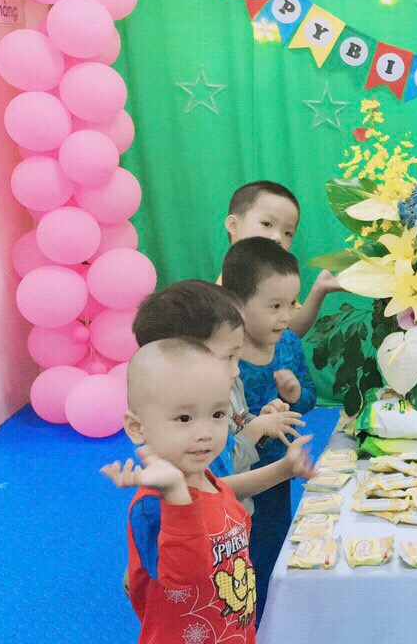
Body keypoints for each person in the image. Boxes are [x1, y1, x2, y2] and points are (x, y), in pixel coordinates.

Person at [102, 339, 315, 644]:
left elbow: (233, 532)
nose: (205, 433)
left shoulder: (211, 481)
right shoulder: (154, 505)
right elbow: (185, 577)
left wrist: (285, 468)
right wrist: (176, 496)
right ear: (137, 428)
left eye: (217, 414)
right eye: (184, 418)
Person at [132, 279, 306, 511]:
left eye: (238, 357)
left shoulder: (229, 385)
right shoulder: (172, 425)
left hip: (232, 519)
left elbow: (238, 423)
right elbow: (210, 489)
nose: (237, 370)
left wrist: (261, 422)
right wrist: (281, 468)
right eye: (229, 357)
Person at [221, 236, 316, 622]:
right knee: (234, 554)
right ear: (237, 305)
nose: (285, 316)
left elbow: (308, 398)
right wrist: (259, 423)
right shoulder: (223, 359)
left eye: (292, 304)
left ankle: (268, 617)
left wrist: (295, 394)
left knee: (274, 543)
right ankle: (242, 618)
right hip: (232, 476)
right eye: (274, 306)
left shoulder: (288, 344)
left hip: (278, 471)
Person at [223, 180, 342, 338]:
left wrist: (320, 289)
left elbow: (289, 330)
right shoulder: (222, 291)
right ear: (233, 225)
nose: (277, 237)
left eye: (288, 233)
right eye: (267, 224)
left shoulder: (278, 282)